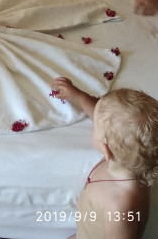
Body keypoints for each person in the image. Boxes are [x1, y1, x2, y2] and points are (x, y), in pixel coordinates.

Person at [50, 77, 158, 239]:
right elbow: (105, 121)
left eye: (96, 128)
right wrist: (79, 96)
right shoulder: (127, 156)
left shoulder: (120, 206)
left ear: (106, 148)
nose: (94, 124)